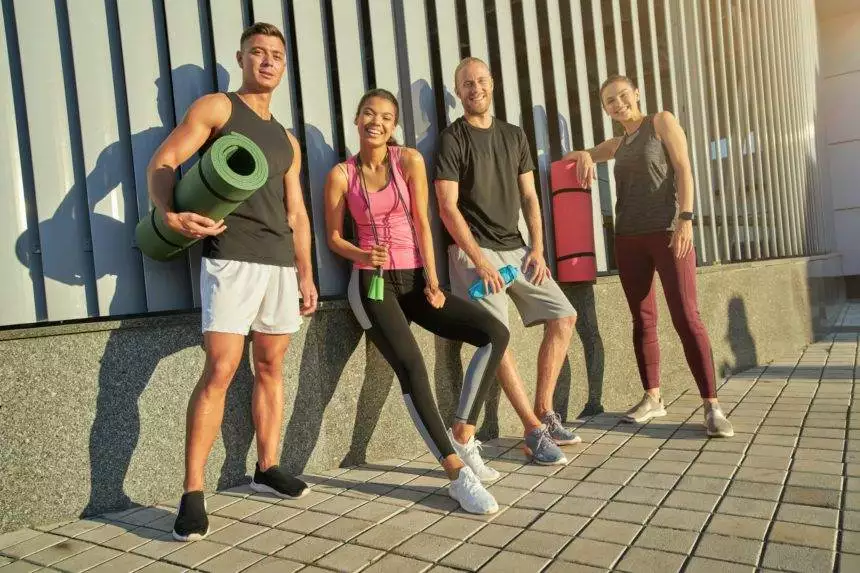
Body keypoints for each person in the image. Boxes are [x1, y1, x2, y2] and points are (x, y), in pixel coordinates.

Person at [147, 23, 319, 541]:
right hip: (230, 259)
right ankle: (192, 493)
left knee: (270, 365)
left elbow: (298, 212)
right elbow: (165, 161)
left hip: (279, 267)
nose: (267, 62)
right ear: (241, 58)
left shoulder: (288, 140)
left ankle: (267, 467)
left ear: (284, 67)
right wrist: (169, 212)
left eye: (276, 56)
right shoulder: (218, 109)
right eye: (258, 54)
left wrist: (306, 272)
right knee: (220, 369)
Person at [324, 89, 508, 515]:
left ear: (394, 125)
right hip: (372, 283)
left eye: (387, 117)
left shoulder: (408, 160)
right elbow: (334, 237)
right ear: (357, 118)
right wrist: (360, 254)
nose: (377, 122)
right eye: (369, 113)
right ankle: (456, 476)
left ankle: (463, 432)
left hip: (414, 280)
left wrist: (433, 279)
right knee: (412, 365)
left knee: (494, 332)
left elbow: (423, 221)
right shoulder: (341, 175)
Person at [563, 74, 733, 438]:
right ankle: (653, 397)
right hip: (628, 238)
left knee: (687, 316)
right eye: (610, 100)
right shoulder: (619, 142)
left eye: (623, 95)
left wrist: (686, 219)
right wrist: (582, 155)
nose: (618, 103)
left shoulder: (661, 121)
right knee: (642, 319)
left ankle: (712, 405)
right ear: (606, 109)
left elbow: (685, 168)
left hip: (669, 232)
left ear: (636, 93)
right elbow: (580, 156)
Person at [435, 57, 580, 466]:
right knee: (498, 333)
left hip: (517, 249)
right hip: (472, 253)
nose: (474, 88)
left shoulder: (514, 136)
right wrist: (479, 261)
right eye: (466, 83)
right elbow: (447, 207)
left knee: (564, 316)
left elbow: (531, 197)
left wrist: (537, 247)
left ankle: (546, 411)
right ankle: (532, 431)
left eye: (480, 81)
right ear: (458, 92)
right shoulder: (453, 139)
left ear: (492, 84)